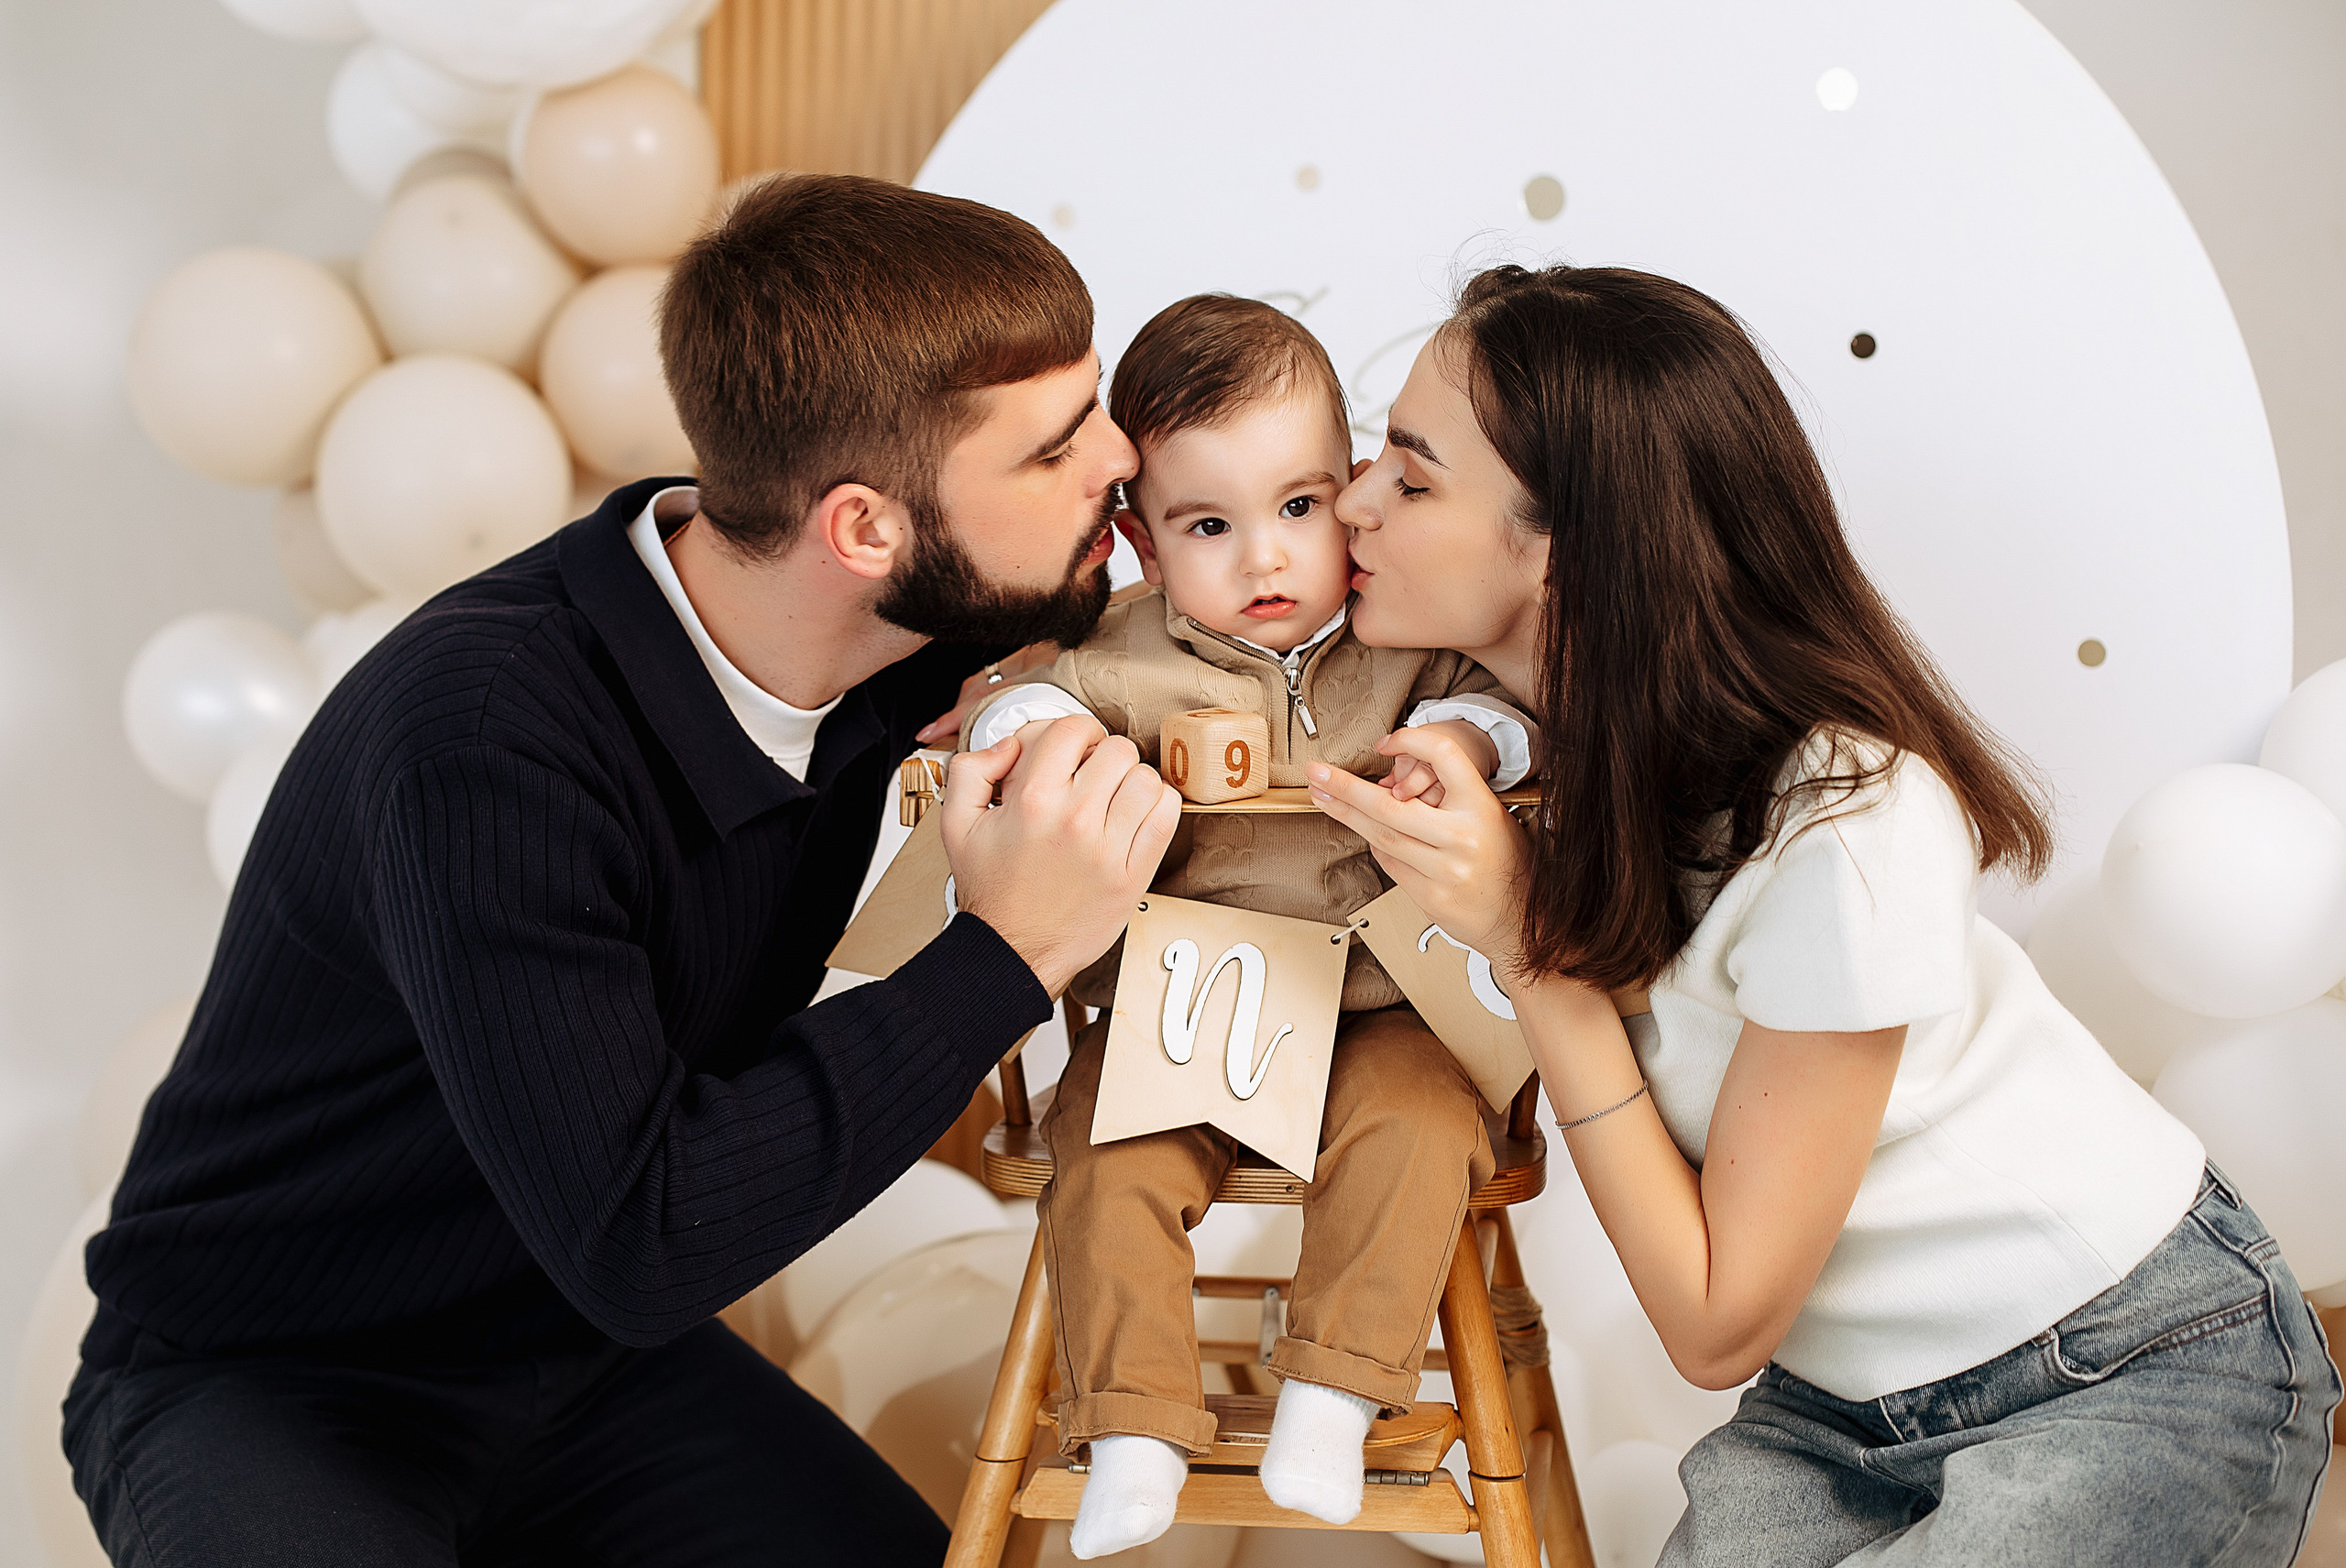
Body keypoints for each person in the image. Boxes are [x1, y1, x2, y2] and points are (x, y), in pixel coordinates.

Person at [64, 173, 1183, 1568]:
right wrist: (1004, 959)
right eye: (1056, 447)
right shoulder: (486, 744)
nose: (1121, 458)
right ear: (864, 531)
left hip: (574, 1362)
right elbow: (644, 1236)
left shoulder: (893, 631)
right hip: (271, 1379)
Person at [1305, 262, 2340, 1565]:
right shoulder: (1520, 759)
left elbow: (1716, 1327)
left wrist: (1531, 953)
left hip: (2128, 1363)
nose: (1352, 504)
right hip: (1838, 1413)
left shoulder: (1846, 819)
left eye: (1410, 475)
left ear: (1568, 539)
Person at [958, 294, 1534, 1556]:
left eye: (1299, 508)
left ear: (1356, 493)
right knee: (1103, 1158)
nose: (1264, 561)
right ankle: (1139, 1424)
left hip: (1387, 1002)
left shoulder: (1406, 642)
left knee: (1427, 1129)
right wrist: (1025, 734)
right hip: (1190, 1001)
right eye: (1209, 525)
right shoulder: (1123, 655)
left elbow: (1516, 710)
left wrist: (1467, 742)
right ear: (1144, 544)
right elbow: (1023, 706)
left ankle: (1330, 1390)